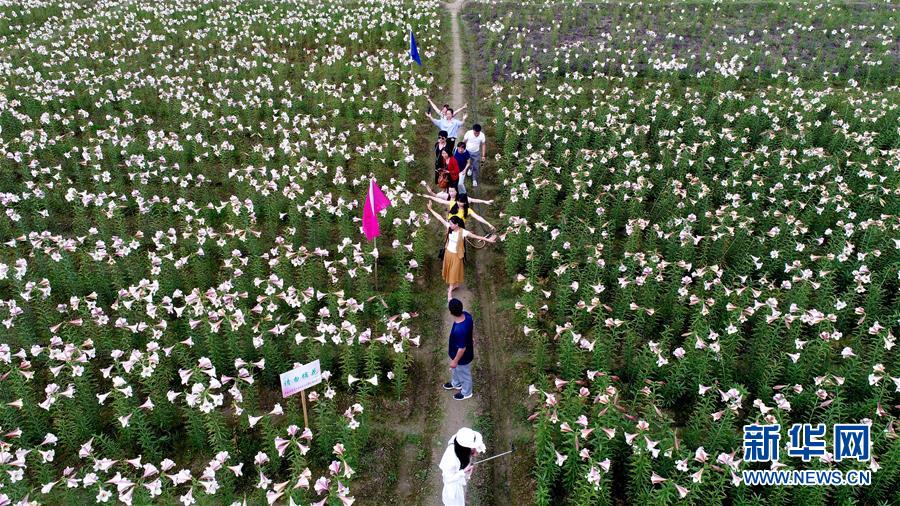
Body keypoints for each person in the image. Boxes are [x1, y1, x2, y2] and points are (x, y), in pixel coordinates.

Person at [426, 202, 495, 300]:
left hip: (456, 255)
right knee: (451, 272)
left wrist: (488, 240)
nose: (449, 225)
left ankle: (450, 292)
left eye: (451, 224)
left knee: (453, 273)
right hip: (448, 254)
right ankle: (455, 285)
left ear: (456, 224)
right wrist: (430, 209)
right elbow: (439, 218)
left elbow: (477, 236)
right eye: (449, 223)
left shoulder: (463, 232)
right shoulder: (449, 228)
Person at [440, 427, 485, 506]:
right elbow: (448, 479)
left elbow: (475, 442)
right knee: (455, 502)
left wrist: (474, 450)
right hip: (453, 485)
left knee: (461, 495)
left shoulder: (461, 437)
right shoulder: (450, 460)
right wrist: (463, 472)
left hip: (459, 476)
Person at [418, 191, 496, 233]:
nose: (458, 202)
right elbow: (440, 201)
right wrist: (428, 196)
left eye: (460, 202)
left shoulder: (468, 210)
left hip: (458, 228)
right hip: (451, 225)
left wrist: (488, 224)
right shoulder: (453, 203)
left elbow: (478, 217)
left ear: (465, 203)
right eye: (458, 201)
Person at [443, 298, 475, 400]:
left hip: (462, 357)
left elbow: (462, 348)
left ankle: (467, 392)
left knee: (464, 374)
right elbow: (470, 330)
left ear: (451, 312)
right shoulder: (467, 315)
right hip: (456, 353)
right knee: (456, 370)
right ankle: (456, 383)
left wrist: (455, 361)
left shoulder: (459, 330)